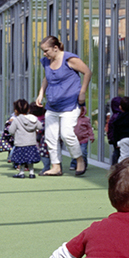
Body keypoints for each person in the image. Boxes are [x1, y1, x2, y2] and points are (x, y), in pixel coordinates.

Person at [35, 35, 91, 176]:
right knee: (50, 137)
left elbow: (87, 72)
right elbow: (47, 77)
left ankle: (79, 160)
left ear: (55, 48)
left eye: (46, 50)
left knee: (67, 134)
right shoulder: (47, 61)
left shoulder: (69, 59)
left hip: (69, 104)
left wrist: (82, 92)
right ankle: (56, 167)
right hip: (52, 105)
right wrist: (41, 93)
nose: (44, 54)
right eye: (43, 51)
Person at [7, 99, 41, 179]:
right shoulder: (33, 119)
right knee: (30, 160)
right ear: (28, 109)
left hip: (20, 144)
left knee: (21, 160)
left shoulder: (16, 120)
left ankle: (21, 173)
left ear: (16, 110)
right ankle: (31, 173)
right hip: (31, 143)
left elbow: (11, 131)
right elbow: (40, 126)